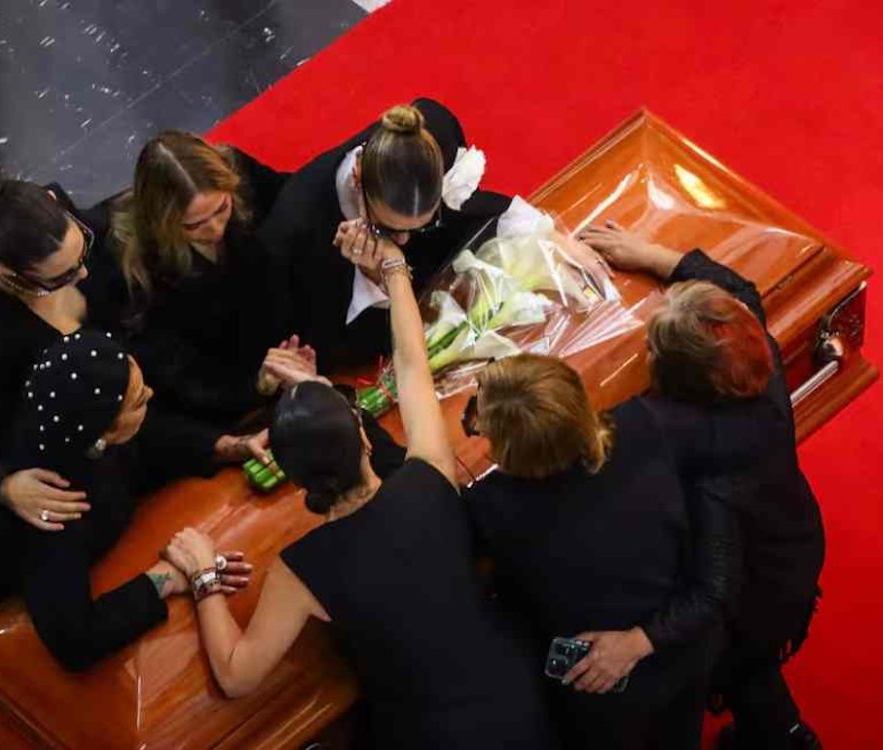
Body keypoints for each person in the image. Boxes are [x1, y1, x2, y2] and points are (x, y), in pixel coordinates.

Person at [163, 237, 554, 749]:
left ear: (293, 479)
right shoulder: (429, 476)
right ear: (366, 438)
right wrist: (392, 267)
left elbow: (237, 676)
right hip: (519, 706)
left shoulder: (300, 568)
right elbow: (411, 364)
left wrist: (204, 574)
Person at [0, 166, 263, 632]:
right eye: (63, 276)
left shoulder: (64, 231)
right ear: (9, 273)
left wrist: (216, 442)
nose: (84, 272)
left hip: (111, 450)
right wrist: (3, 486)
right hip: (34, 513)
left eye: (82, 251)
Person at [580, 221, 824, 750]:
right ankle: (785, 737)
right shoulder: (756, 360)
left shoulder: (699, 459)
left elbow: (713, 592)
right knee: (754, 674)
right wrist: (647, 254)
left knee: (744, 665)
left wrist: (636, 643)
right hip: (793, 542)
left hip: (755, 589)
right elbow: (740, 292)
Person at [0, 331, 250, 669]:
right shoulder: (55, 508)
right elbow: (76, 638)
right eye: (139, 400)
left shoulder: (76, 416)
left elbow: (146, 441)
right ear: (103, 434)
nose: (151, 395)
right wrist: (165, 577)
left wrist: (223, 446)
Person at [464, 353, 735, 750]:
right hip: (686, 647)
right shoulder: (645, 422)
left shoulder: (494, 507)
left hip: (606, 690)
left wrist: (636, 643)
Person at [257, 99, 511, 370]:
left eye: (423, 224)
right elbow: (331, 346)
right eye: (390, 229)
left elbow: (466, 215)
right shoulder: (300, 232)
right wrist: (373, 282)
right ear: (357, 177)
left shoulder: (436, 135)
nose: (403, 241)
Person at [110, 131, 314, 455]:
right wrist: (255, 386)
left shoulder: (241, 175)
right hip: (223, 391)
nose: (215, 228)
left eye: (222, 209)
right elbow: (179, 378)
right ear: (162, 224)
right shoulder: (141, 269)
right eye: (194, 225)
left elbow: (294, 208)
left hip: (282, 342)